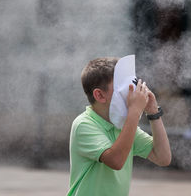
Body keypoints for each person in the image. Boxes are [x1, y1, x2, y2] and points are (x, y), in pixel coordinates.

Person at [67, 57, 171, 196]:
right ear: (99, 95)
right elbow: (116, 160)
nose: (131, 93)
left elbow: (163, 157)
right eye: (122, 86)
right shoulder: (84, 124)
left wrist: (153, 113)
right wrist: (134, 111)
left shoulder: (121, 125)